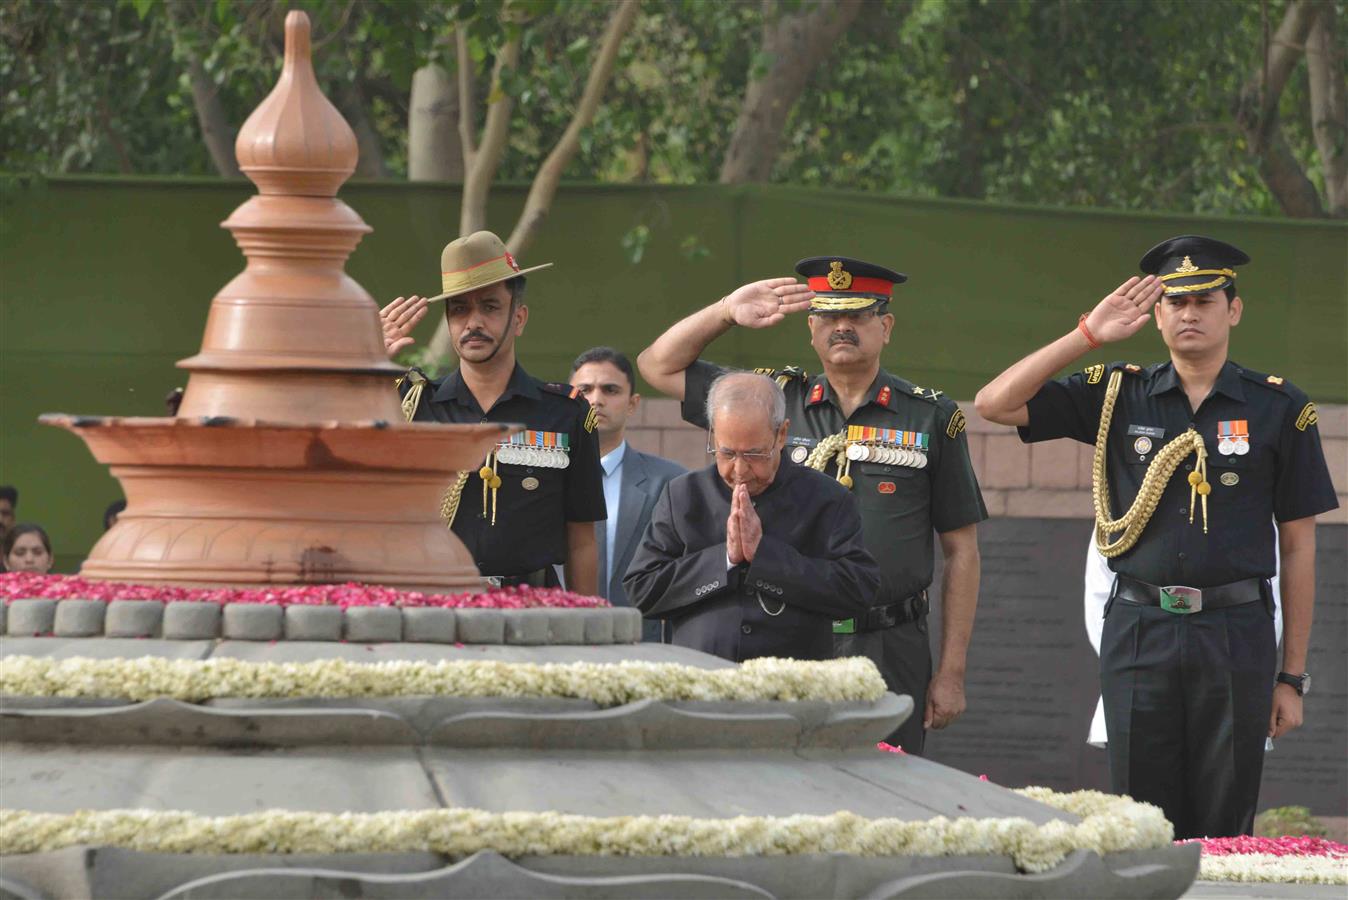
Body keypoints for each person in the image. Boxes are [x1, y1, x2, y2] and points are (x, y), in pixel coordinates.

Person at [974, 235, 1338, 839]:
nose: (1188, 313)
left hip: (1236, 632)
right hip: (1141, 628)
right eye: (1174, 301)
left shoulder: (1281, 408)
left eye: (1204, 300)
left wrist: (1291, 677)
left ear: (1234, 309)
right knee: (1141, 821)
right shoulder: (1120, 391)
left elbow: (1298, 548)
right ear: (1157, 313)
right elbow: (993, 403)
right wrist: (1086, 335)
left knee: (1225, 824)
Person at [637, 258, 986, 753]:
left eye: (859, 315)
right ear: (811, 329)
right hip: (789, 632)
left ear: (885, 327)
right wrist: (725, 311)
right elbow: (657, 366)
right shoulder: (771, 400)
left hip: (888, 640)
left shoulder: (930, 416)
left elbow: (962, 550)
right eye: (827, 315)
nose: (842, 327)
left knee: (886, 792)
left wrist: (951, 671)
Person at [379, 231, 606, 593]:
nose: (473, 322)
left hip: (533, 612)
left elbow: (581, 540)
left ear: (519, 318)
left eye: (489, 306)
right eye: (459, 310)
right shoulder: (410, 405)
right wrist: (358, 363)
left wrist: (588, 635)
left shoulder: (566, 413)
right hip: (434, 608)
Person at [623, 373, 879, 662]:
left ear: (781, 435)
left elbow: (858, 591)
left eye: (755, 454)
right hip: (699, 681)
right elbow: (641, 591)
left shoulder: (827, 498)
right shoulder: (683, 495)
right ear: (713, 435)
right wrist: (726, 560)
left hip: (793, 686)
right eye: (727, 453)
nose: (740, 471)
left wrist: (766, 557)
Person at [569, 347, 685, 639]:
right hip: (558, 642)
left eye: (610, 390)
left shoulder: (671, 482)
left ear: (632, 404)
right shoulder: (544, 480)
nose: (596, 399)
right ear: (569, 400)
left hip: (640, 649)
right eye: (585, 390)